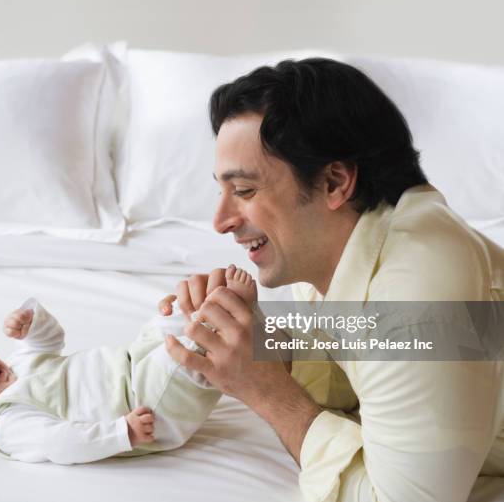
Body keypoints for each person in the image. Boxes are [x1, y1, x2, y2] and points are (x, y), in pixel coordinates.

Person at [160, 58, 504, 502]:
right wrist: (258, 340)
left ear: (334, 182)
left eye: (244, 191)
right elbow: (351, 363)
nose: (220, 221)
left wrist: (268, 394)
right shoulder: (346, 248)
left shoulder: (418, 306)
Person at [0, 266, 257, 464]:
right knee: (186, 353)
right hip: (144, 407)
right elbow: (61, 442)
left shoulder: (17, 371)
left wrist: (31, 323)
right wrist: (120, 433)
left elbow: (48, 341)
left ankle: (217, 314)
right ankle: (232, 321)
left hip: (132, 363)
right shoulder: (8, 422)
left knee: (167, 319)